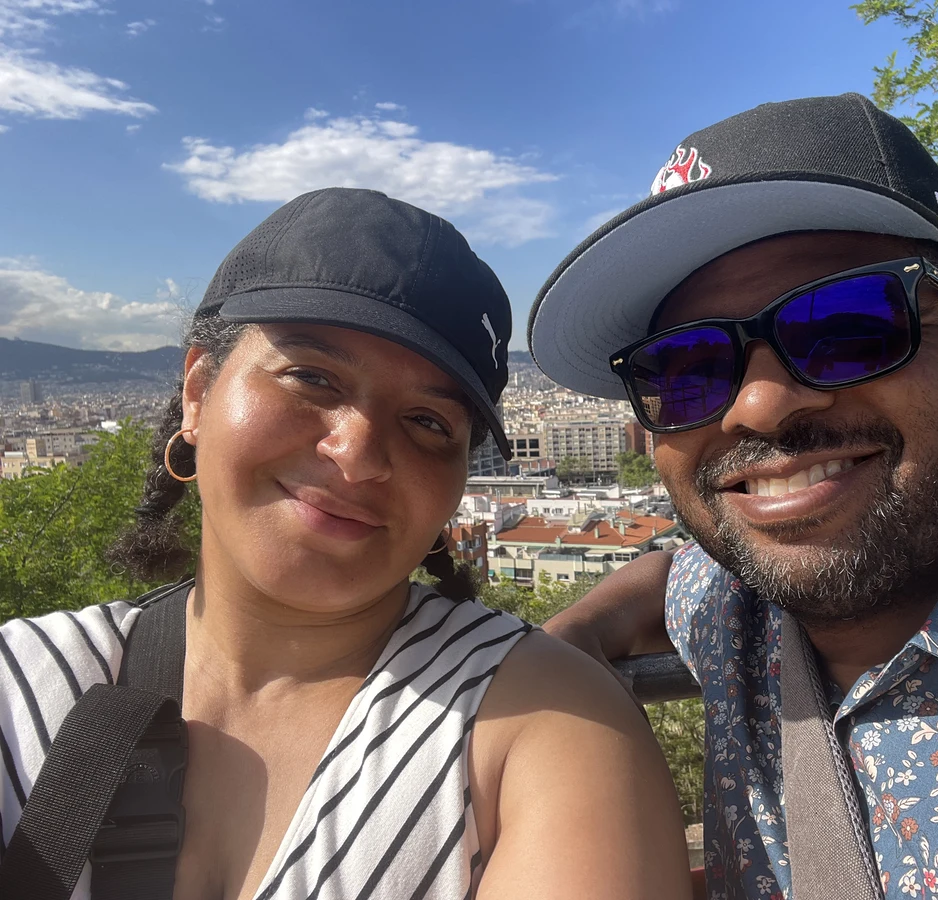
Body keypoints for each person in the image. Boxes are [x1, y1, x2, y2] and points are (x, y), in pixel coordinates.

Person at [529, 95, 938, 899]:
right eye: (686, 369)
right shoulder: (741, 592)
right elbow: (668, 579)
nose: (758, 407)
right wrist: (559, 653)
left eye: (847, 326)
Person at [0, 188, 691, 900]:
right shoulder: (20, 691)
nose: (358, 453)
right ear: (198, 392)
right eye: (311, 376)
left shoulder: (543, 730)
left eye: (426, 421)